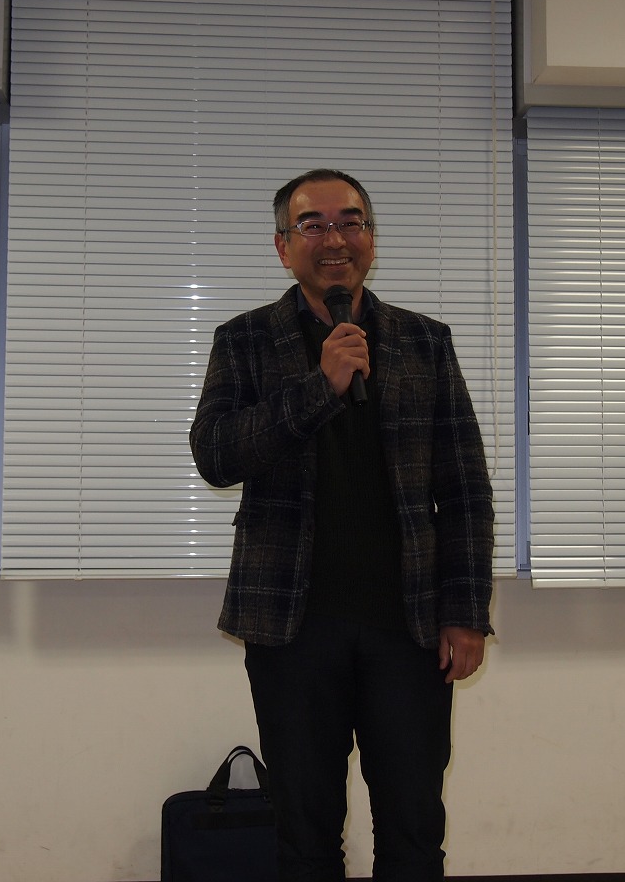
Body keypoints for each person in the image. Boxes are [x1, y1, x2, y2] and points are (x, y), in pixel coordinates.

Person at [189, 169, 494, 882]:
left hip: (410, 629)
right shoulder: (244, 340)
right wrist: (318, 387)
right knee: (305, 835)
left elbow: (464, 489)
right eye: (314, 225)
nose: (335, 239)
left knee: (414, 831)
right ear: (283, 247)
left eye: (350, 222)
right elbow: (216, 455)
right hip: (292, 630)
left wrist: (466, 612)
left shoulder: (424, 342)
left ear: (372, 241)